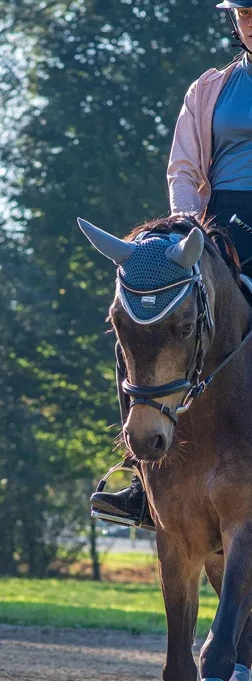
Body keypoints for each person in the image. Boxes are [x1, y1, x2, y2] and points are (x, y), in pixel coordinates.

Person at [91, 0, 252, 529]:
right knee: (144, 319)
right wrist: (186, 227)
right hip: (214, 232)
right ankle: (142, 481)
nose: (250, 22)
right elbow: (184, 166)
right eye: (245, 13)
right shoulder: (210, 89)